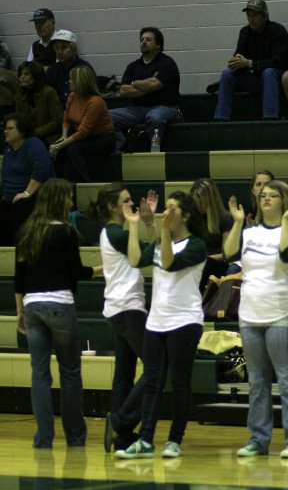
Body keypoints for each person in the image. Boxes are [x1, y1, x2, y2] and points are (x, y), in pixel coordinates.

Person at [116, 191, 208, 459]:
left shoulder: (196, 246)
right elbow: (134, 259)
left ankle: (174, 440)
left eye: (172, 209)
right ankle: (145, 440)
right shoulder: (159, 242)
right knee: (153, 382)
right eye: (165, 208)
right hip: (156, 321)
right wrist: (134, 225)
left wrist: (162, 233)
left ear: (186, 215)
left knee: (179, 382)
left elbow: (168, 264)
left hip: (185, 321)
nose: (166, 213)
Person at [224, 181, 288, 459]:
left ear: (285, 202)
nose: (267, 199)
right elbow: (227, 253)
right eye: (263, 196)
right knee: (257, 382)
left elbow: (287, 253)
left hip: (282, 314)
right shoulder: (249, 232)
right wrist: (237, 223)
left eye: (273, 196)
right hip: (250, 314)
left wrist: (286, 220)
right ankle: (258, 439)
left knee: (287, 380)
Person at [15, 178, 100, 448]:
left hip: (32, 307)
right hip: (60, 305)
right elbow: (76, 272)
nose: (71, 202)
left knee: (39, 373)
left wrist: (19, 311)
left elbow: (19, 279)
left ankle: (43, 438)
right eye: (67, 197)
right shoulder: (65, 232)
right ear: (58, 200)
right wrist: (100, 270)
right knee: (70, 372)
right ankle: (75, 437)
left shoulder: (27, 231)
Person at [89, 183, 158, 453]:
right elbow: (145, 257)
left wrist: (148, 222)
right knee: (156, 367)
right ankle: (120, 420)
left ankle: (121, 434)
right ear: (111, 207)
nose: (132, 204)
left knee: (124, 373)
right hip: (128, 308)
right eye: (126, 201)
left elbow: (144, 253)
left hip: (119, 308)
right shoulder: (116, 232)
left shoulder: (114, 232)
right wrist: (145, 225)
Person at [214, 0, 288, 121]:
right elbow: (239, 56)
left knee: (269, 72)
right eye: (249, 15)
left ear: (265, 16)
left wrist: (250, 63)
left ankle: (270, 119)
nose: (251, 19)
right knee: (226, 74)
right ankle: (221, 118)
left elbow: (280, 62)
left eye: (255, 15)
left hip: (276, 80)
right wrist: (236, 62)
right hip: (255, 79)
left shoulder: (278, 31)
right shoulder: (245, 32)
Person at [109, 27, 181, 152]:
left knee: (155, 118)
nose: (143, 42)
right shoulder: (133, 66)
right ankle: (121, 148)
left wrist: (134, 83)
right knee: (106, 116)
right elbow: (123, 91)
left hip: (165, 107)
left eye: (148, 39)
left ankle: (155, 151)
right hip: (137, 109)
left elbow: (154, 84)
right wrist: (147, 85)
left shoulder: (167, 63)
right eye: (142, 40)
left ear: (158, 45)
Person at [49, 66, 114, 182]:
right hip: (84, 136)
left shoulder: (95, 101)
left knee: (73, 149)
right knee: (60, 148)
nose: (69, 81)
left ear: (80, 82)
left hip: (102, 138)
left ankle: (85, 183)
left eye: (71, 79)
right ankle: (56, 183)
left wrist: (59, 145)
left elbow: (83, 132)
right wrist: (63, 137)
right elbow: (66, 119)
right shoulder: (72, 96)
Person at [1, 113, 55, 246]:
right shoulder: (8, 149)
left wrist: (26, 193)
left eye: (10, 128)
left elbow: (41, 170)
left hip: (33, 196)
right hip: (10, 197)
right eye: (5, 128)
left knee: (19, 208)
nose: (5, 131)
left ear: (22, 131)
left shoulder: (33, 144)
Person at [190, 178, 233, 287]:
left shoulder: (225, 219)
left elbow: (226, 255)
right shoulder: (193, 219)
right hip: (198, 262)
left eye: (201, 202)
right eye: (196, 202)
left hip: (216, 264)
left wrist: (206, 258)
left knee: (205, 265)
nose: (198, 205)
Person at [14, 61, 62, 145]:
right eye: (20, 74)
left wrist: (36, 132)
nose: (22, 77)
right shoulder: (19, 96)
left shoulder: (49, 92)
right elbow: (19, 119)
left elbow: (57, 121)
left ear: (36, 76)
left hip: (48, 137)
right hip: (27, 136)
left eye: (26, 74)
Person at [44, 30, 94, 104]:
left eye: (64, 47)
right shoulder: (53, 69)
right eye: (57, 48)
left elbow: (91, 95)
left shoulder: (84, 68)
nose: (60, 52)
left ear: (74, 50)